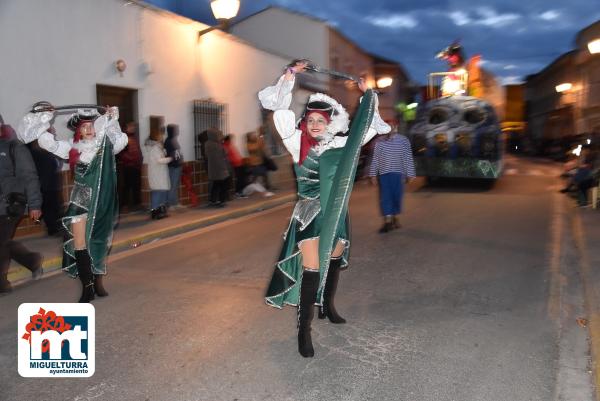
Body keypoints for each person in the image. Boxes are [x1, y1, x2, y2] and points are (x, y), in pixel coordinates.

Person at [259, 61, 390, 357]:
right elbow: (279, 111)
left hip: (336, 212)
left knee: (333, 258)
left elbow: (368, 127)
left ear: (331, 122)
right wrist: (290, 75)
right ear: (305, 122)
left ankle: (327, 306)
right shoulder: (296, 143)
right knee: (312, 268)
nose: (315, 125)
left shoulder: (341, 145)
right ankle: (303, 331)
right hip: (309, 214)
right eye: (311, 120)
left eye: (322, 120)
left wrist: (368, 95)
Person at [17, 106, 128, 302]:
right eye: (83, 127)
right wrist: (43, 116)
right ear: (78, 130)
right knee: (80, 243)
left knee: (98, 242)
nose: (88, 130)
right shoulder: (71, 148)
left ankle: (97, 282)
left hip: (101, 203)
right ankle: (87, 287)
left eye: (91, 125)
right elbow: (44, 140)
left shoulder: (108, 144)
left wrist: (111, 117)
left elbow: (120, 137)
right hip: (81, 201)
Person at [0, 122, 43, 293]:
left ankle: (1, 283)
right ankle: (32, 260)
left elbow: (29, 176)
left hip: (10, 205)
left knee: (1, 243)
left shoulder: (14, 147)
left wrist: (34, 204)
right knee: (3, 243)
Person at [367, 122, 416, 232]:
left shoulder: (403, 140)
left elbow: (408, 157)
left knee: (397, 197)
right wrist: (373, 174)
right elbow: (376, 159)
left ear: (396, 128)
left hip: (399, 174)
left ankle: (395, 217)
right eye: (388, 127)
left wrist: (411, 173)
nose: (391, 129)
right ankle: (388, 222)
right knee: (385, 197)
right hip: (384, 174)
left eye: (393, 127)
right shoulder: (379, 142)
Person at [27, 125, 64, 236]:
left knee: (54, 205)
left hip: (50, 182)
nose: (54, 134)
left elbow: (57, 161)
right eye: (52, 132)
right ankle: (53, 228)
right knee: (50, 206)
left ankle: (55, 227)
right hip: (44, 183)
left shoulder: (47, 147)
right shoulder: (35, 148)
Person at [145, 127, 172, 219]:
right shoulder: (154, 149)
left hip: (160, 174)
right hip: (157, 175)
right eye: (161, 136)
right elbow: (159, 160)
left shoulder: (158, 148)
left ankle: (160, 210)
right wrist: (170, 158)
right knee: (157, 192)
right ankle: (155, 211)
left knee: (161, 192)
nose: (162, 137)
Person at [118, 122, 143, 211]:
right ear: (127, 127)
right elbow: (122, 154)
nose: (133, 128)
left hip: (136, 166)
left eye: (134, 127)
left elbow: (138, 151)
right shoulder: (124, 138)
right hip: (128, 166)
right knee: (127, 186)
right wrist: (131, 160)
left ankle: (137, 204)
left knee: (137, 185)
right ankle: (124, 205)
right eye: (131, 126)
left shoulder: (134, 138)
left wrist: (139, 161)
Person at [204, 128, 230, 207]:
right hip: (221, 168)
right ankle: (221, 201)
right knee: (224, 185)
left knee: (215, 185)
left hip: (212, 168)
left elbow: (206, 155)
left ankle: (212, 200)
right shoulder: (218, 145)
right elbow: (225, 153)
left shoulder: (207, 144)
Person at [164, 124, 183, 208]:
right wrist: (178, 160)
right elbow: (172, 154)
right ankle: (171, 204)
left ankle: (174, 202)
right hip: (173, 166)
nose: (177, 131)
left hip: (175, 165)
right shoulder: (169, 141)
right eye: (176, 129)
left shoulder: (172, 140)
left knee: (174, 185)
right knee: (173, 185)